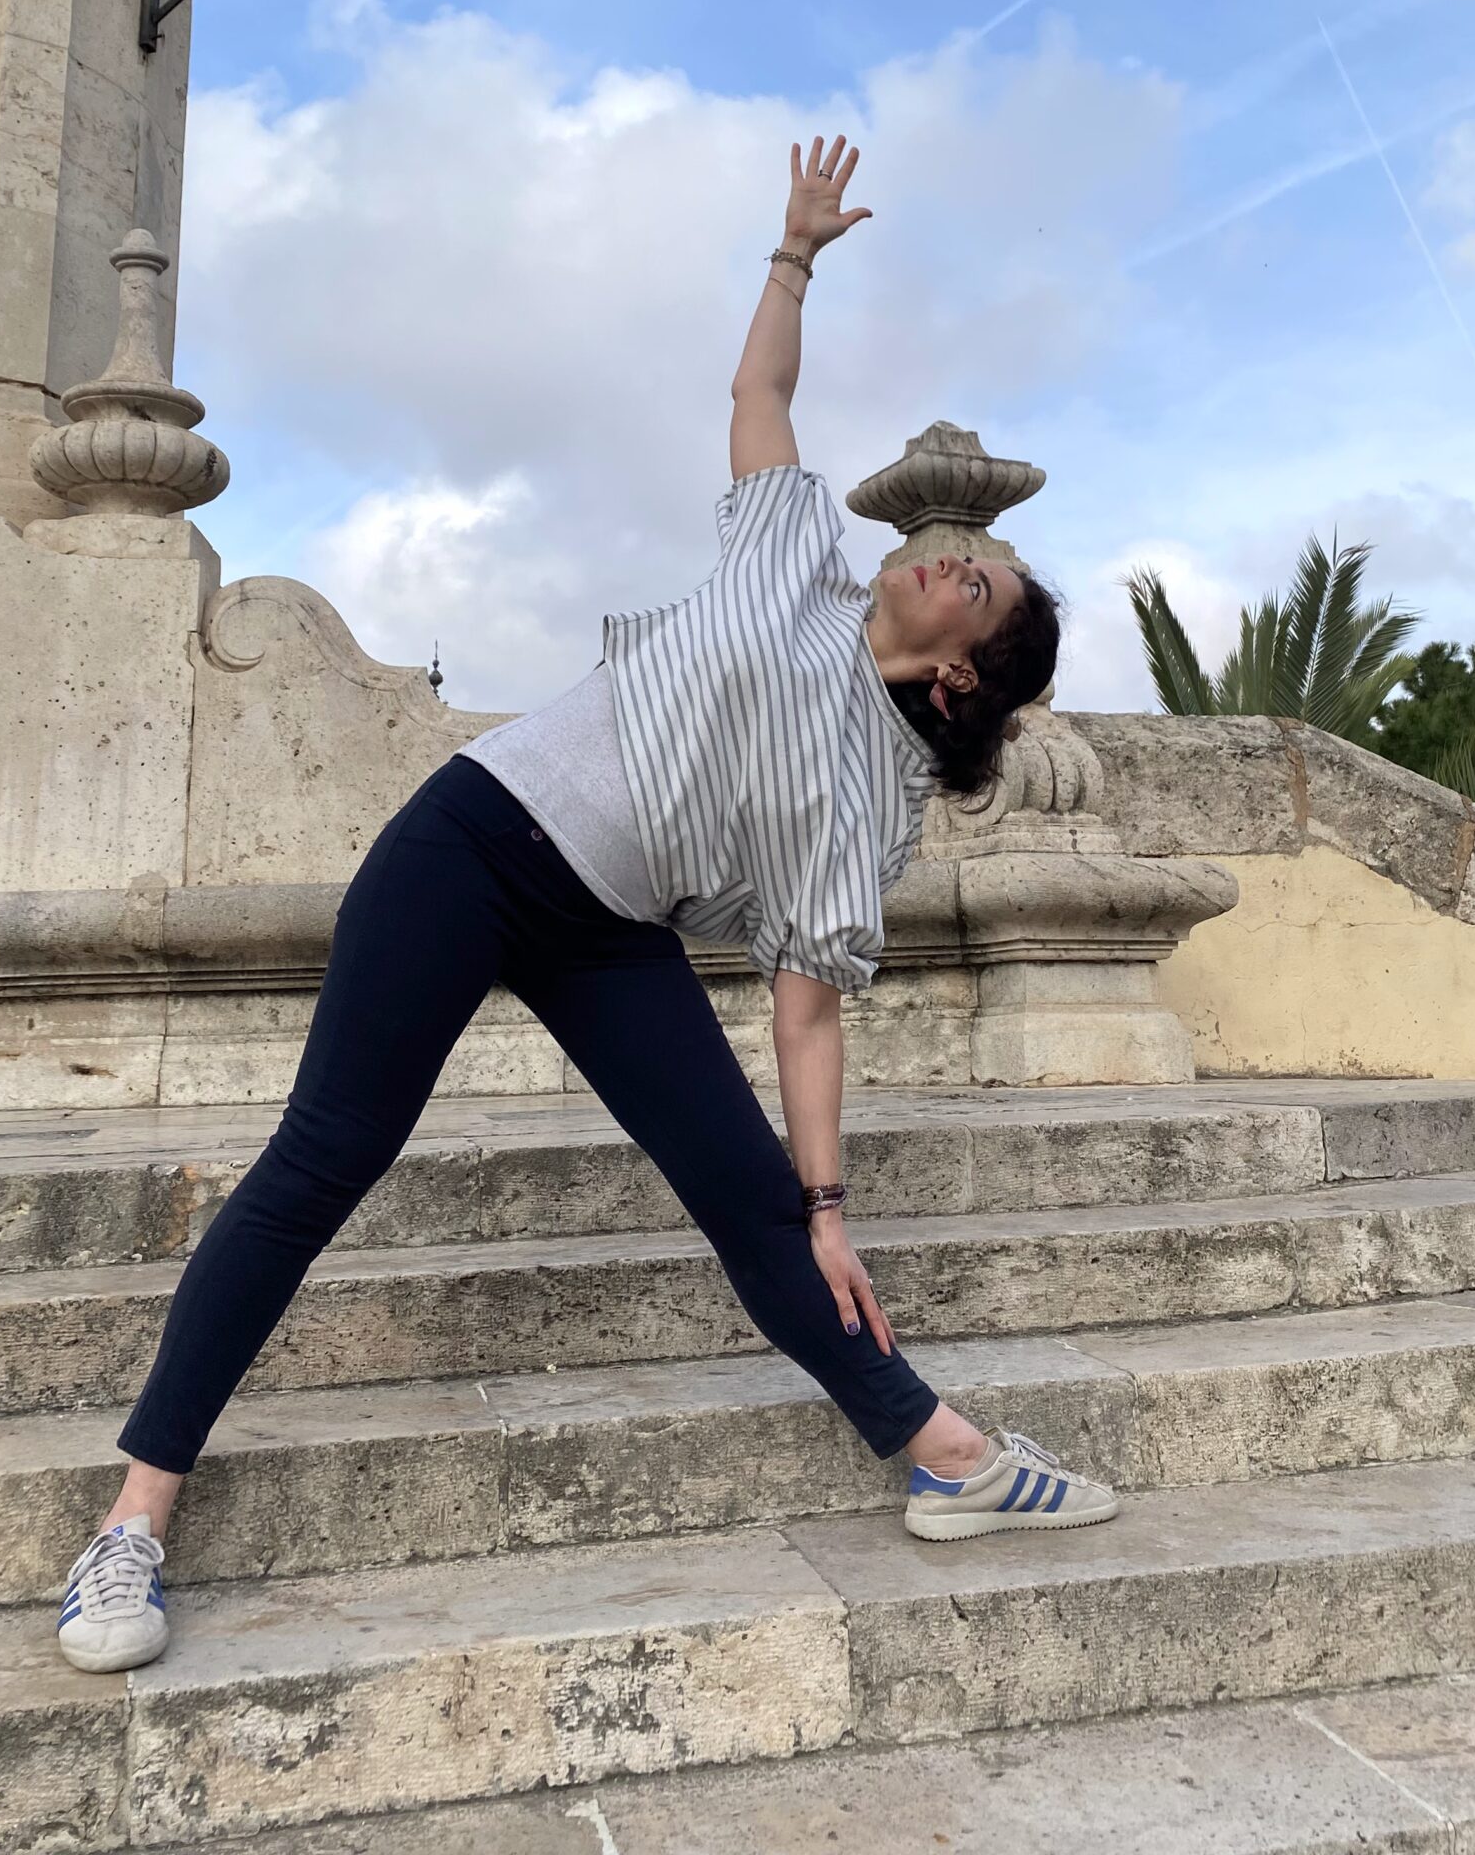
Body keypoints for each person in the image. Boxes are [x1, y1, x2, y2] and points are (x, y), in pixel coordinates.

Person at [55, 134, 1118, 1676]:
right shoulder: (798, 559)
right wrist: (795, 258)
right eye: (959, 552)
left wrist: (828, 1205)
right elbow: (761, 402)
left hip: (609, 927)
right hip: (472, 844)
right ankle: (133, 1522)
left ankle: (946, 1457)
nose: (954, 556)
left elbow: (806, 1006)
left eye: (981, 583)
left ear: (962, 671)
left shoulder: (869, 801)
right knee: (319, 1161)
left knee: (759, 1202)